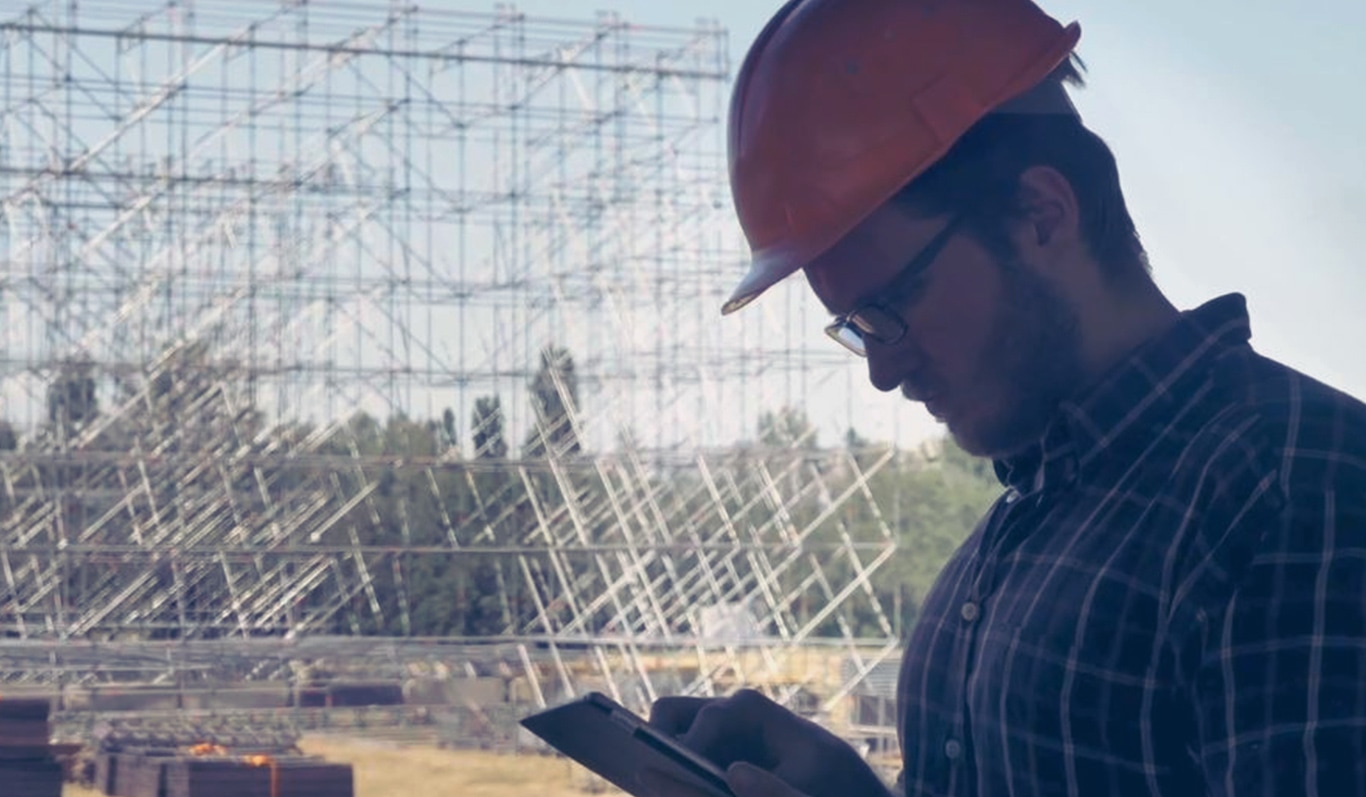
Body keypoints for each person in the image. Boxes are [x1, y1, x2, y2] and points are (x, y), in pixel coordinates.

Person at [641, 0, 1366, 795]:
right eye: (855, 327)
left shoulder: (1298, 492)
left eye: (890, 308)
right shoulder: (1028, 522)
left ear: (1041, 214)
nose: (883, 370)